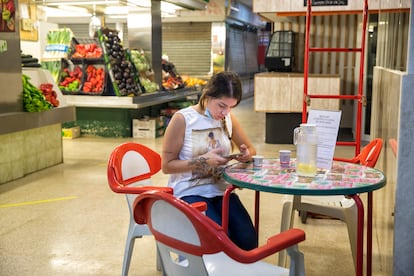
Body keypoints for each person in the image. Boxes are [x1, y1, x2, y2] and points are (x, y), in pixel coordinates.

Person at [162, 71, 258, 250]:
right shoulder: (183, 119)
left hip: (221, 191)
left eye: (231, 107)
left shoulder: (228, 119)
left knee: (248, 240)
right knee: (219, 241)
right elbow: (166, 166)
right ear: (207, 95)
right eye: (221, 105)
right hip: (190, 192)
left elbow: (251, 149)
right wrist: (201, 161)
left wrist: (246, 155)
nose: (225, 112)